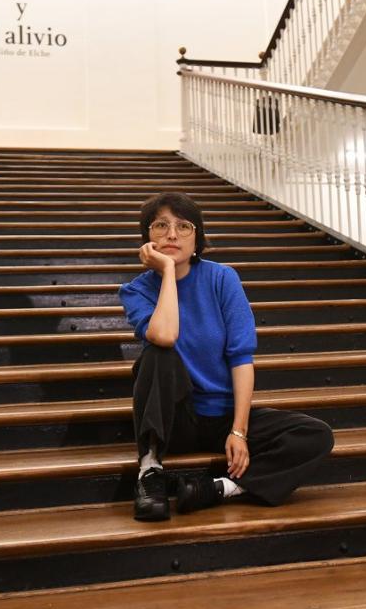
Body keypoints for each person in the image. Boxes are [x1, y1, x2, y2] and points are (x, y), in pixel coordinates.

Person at [119, 192, 335, 521]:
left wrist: (239, 431)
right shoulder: (136, 290)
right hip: (175, 419)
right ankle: (149, 472)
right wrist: (165, 272)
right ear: (147, 238)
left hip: (222, 416)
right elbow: (165, 335)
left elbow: (241, 357)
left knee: (315, 435)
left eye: (184, 226)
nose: (172, 234)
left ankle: (222, 488)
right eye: (160, 226)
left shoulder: (222, 278)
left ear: (198, 237)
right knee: (158, 355)